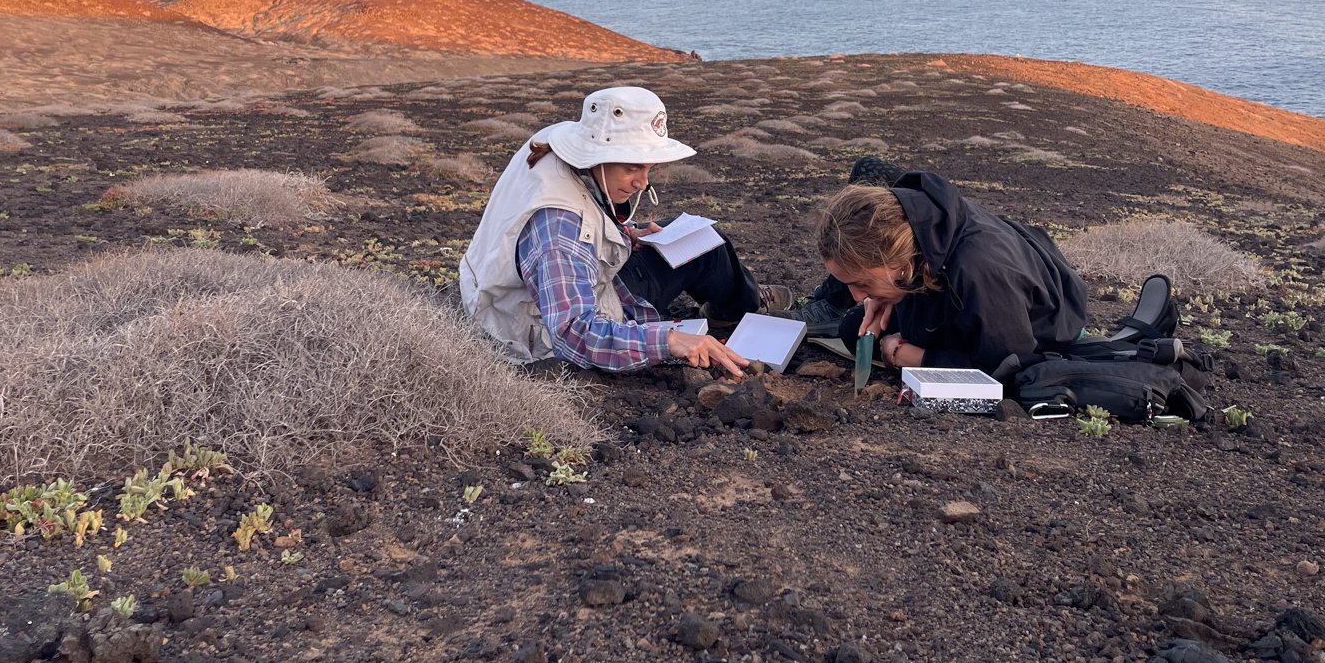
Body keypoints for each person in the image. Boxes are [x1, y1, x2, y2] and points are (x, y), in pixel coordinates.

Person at [460, 86, 784, 377]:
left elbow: (582, 215)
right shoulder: (560, 228)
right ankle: (743, 310)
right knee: (706, 256)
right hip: (536, 326)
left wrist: (627, 232)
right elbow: (576, 333)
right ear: (600, 156)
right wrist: (671, 341)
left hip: (581, 281)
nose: (643, 182)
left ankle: (736, 308)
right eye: (632, 167)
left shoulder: (560, 147)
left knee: (701, 241)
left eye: (648, 167)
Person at [807, 166, 1088, 380]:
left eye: (861, 283)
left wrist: (922, 359)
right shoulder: (918, 229)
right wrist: (884, 292)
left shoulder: (980, 272)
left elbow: (1010, 365)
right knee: (855, 329)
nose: (857, 296)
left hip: (1030, 331)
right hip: (951, 293)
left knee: (881, 338)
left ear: (896, 260)